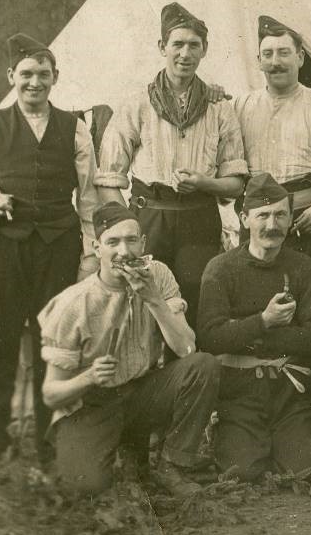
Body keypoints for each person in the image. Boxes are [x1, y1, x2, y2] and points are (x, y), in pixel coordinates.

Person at [0, 33, 102, 464]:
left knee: (53, 343)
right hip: (3, 248)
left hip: (58, 248)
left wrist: (90, 254)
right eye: (27, 74)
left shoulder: (75, 128)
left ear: (56, 77)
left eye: (44, 74)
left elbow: (89, 198)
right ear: (11, 76)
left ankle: (49, 441)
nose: (35, 83)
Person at [39, 203, 221, 496]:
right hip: (91, 404)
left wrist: (153, 300)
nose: (124, 251)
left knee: (203, 366)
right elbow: (50, 394)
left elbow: (187, 348)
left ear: (144, 243)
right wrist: (88, 377)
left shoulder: (157, 275)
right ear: (98, 249)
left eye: (131, 240)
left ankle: (171, 466)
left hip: (140, 392)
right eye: (113, 242)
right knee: (85, 487)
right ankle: (115, 448)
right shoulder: (75, 303)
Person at [96, 2, 247, 326]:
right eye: (177, 44)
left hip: (198, 219)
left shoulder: (219, 107)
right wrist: (127, 225)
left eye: (194, 45)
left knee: (194, 302)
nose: (185, 53)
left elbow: (236, 183)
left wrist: (204, 184)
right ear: (162, 47)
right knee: (141, 299)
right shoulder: (137, 104)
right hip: (150, 217)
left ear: (204, 50)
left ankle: (190, 372)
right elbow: (109, 177)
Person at [197, 173, 311, 482]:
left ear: (290, 218)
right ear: (244, 219)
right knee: (243, 471)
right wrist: (264, 321)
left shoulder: (303, 268)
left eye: (281, 215)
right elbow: (211, 337)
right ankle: (233, 435)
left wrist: (250, 336)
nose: (272, 225)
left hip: (289, 389)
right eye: (263, 216)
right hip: (240, 391)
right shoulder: (221, 269)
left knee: (303, 468)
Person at [233, 16, 311, 280]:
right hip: (259, 220)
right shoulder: (240, 107)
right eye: (267, 54)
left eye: (284, 53)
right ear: (258, 61)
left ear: (300, 57)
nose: (275, 62)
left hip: (310, 220)